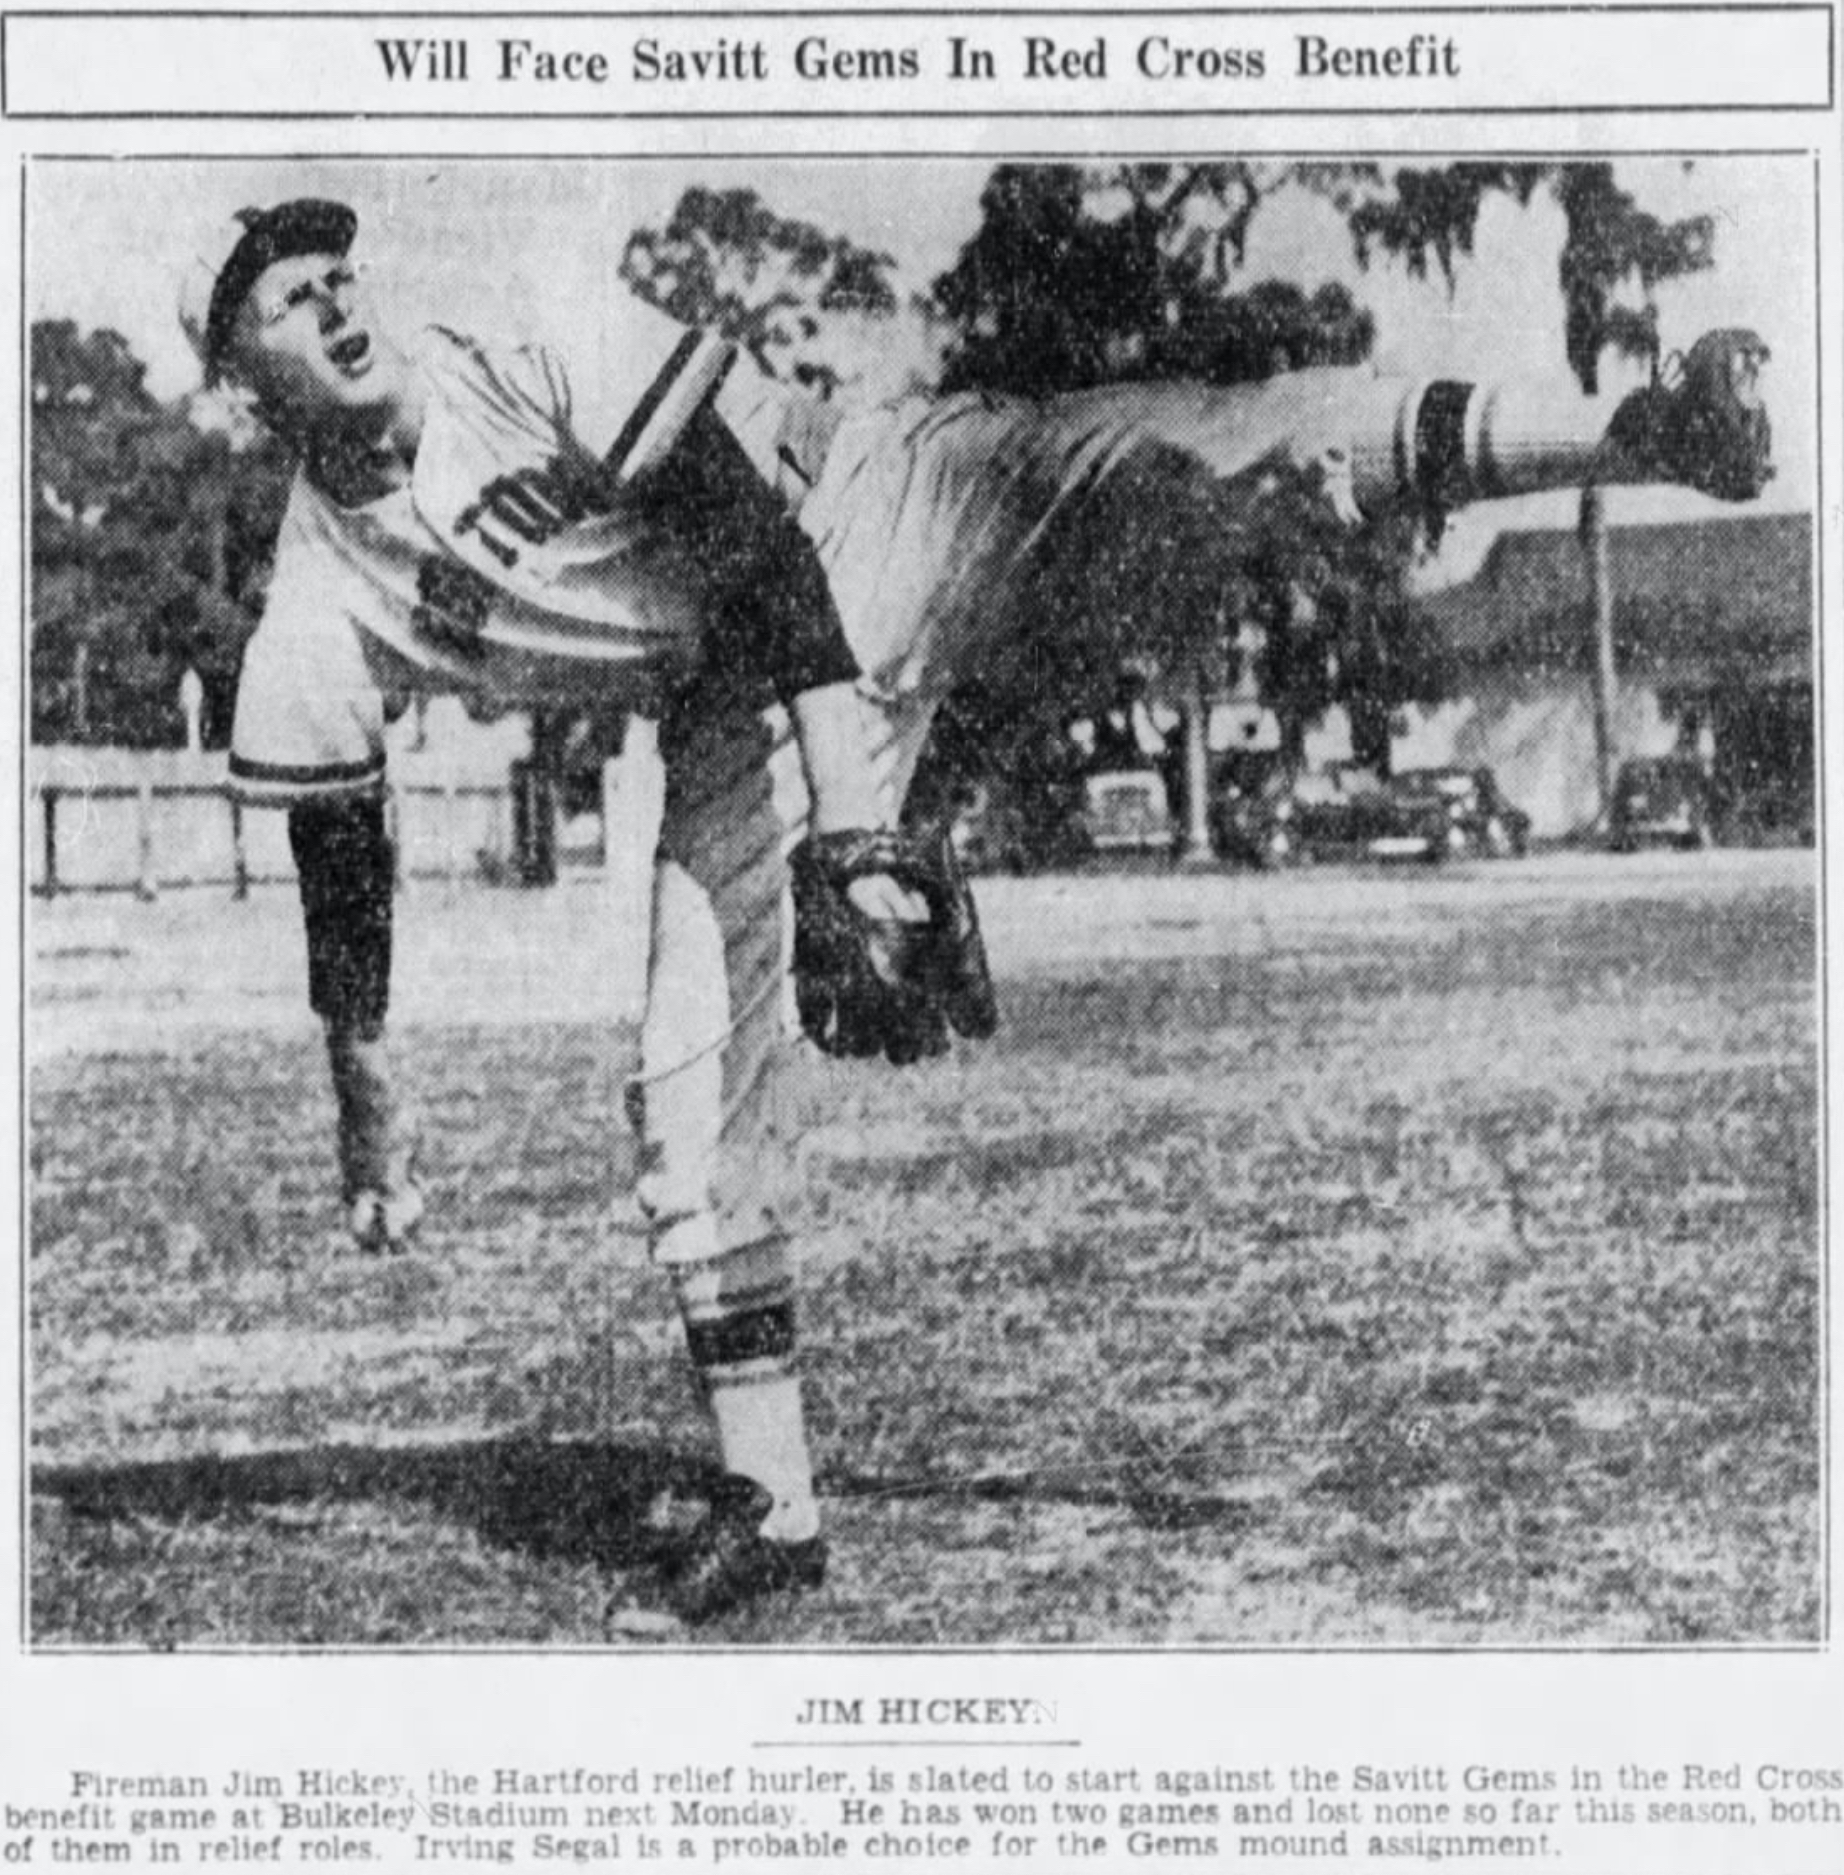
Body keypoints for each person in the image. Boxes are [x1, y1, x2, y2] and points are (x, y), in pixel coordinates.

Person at [186, 197, 1772, 1623]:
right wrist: (364, 1109)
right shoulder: (312, 607)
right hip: (744, 706)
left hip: (865, 491)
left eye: (338, 271)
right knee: (685, 1103)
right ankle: (774, 1503)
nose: (332, 300)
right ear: (247, 390)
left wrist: (864, 822)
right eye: (284, 304)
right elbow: (344, 868)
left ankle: (1637, 431)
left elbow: (751, 544)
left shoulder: (520, 333)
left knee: (1207, 433)